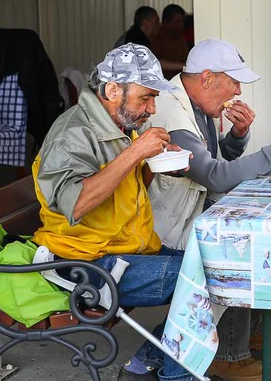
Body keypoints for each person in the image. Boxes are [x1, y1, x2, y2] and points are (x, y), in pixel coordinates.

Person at [29, 43, 198, 381]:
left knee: (211, 265)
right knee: (196, 281)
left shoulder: (116, 125)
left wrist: (157, 164)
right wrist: (136, 151)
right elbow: (75, 204)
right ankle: (173, 374)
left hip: (122, 252)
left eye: (153, 100)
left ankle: (149, 363)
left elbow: (123, 192)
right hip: (82, 265)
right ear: (111, 90)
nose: (151, 109)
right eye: (145, 98)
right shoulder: (72, 134)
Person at [146, 38, 271, 380]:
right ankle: (228, 353)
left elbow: (214, 159)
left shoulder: (197, 104)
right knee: (237, 244)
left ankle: (241, 331)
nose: (236, 91)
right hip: (166, 226)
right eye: (232, 82)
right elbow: (214, 176)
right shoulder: (172, 108)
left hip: (191, 208)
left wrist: (238, 134)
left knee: (260, 220)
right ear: (207, 78)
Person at [151, 4, 190, 80]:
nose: (181, 25)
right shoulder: (156, 37)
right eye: (178, 21)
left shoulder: (181, 37)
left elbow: (186, 59)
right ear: (166, 22)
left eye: (183, 21)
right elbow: (154, 62)